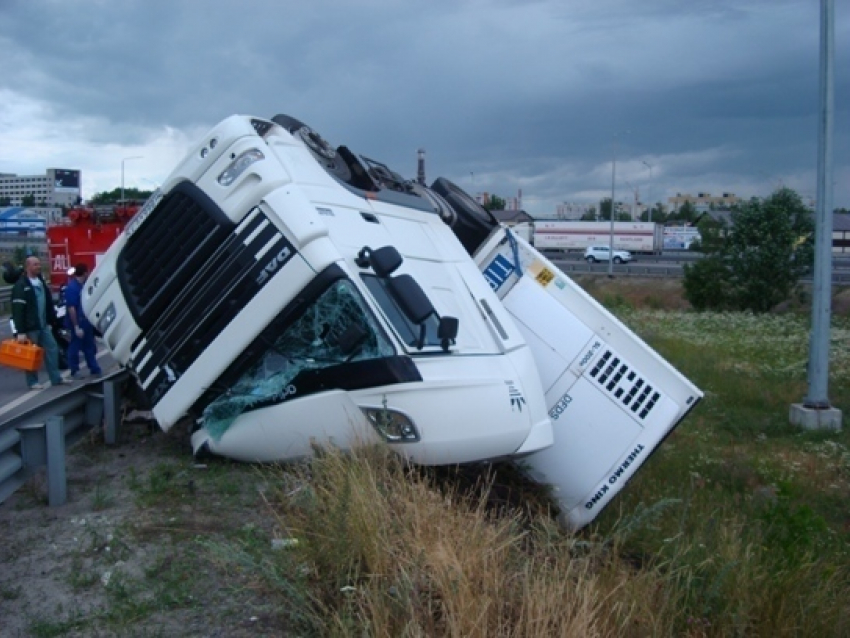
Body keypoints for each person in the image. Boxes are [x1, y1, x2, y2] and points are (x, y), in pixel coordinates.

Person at [11, 256, 70, 389]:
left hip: (43, 325)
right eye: (35, 264)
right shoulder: (21, 285)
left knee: (52, 348)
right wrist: (21, 331)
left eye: (39, 264)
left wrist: (51, 320)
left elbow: (48, 302)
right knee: (32, 354)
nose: (39, 266)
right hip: (30, 327)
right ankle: (33, 382)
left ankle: (56, 378)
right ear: (28, 267)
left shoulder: (40, 282)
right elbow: (18, 310)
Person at [64, 263, 102, 380]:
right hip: (78, 321)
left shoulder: (83, 285)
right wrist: (76, 326)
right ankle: (74, 370)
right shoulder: (72, 288)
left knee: (89, 346)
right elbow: (71, 308)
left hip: (86, 320)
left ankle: (94, 368)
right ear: (85, 273)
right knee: (75, 346)